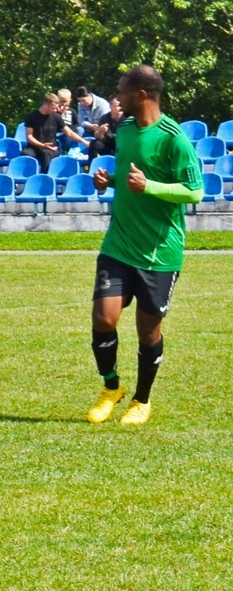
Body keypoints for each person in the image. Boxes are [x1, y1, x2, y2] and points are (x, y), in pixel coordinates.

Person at [86, 64, 203, 427]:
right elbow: (132, 177)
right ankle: (111, 388)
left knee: (148, 331)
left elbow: (195, 192)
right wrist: (111, 181)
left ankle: (142, 399)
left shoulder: (174, 138)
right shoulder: (123, 129)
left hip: (158, 252)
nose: (116, 98)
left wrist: (150, 186)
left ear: (141, 94)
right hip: (119, 243)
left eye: (121, 91)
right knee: (104, 319)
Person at [24, 92, 65, 169]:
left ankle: (45, 178)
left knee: (45, 155)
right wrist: (42, 145)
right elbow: (29, 136)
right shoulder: (31, 117)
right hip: (35, 147)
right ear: (46, 105)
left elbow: (69, 132)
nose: (56, 110)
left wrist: (84, 141)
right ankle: (29, 179)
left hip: (51, 147)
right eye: (54, 108)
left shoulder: (57, 117)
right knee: (25, 155)